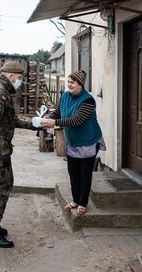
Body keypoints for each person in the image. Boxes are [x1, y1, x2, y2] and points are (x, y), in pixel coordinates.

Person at [0, 60, 37, 248]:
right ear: (11, 76)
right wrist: (4, 150)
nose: (20, 82)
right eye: (19, 78)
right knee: (2, 186)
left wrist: (33, 124)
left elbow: (9, 120)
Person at [41, 70, 105, 216]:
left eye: (72, 82)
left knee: (84, 173)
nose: (69, 85)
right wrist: (47, 119)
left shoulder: (88, 100)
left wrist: (54, 123)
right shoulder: (64, 96)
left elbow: (77, 120)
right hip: (72, 141)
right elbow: (57, 113)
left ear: (80, 84)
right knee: (73, 173)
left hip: (87, 141)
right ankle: (75, 200)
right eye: (68, 81)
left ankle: (83, 203)